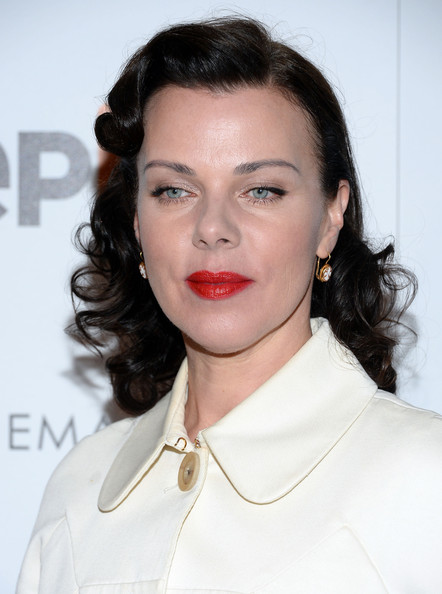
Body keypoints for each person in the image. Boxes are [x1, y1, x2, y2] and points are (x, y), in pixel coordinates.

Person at [17, 17, 442, 594]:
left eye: (261, 190)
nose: (212, 227)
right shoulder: (77, 491)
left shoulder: (424, 480)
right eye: (174, 190)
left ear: (330, 217)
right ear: (137, 222)